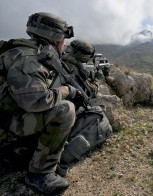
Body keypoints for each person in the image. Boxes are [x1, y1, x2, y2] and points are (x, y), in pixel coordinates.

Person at [0, 12, 79, 194]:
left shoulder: (19, 49)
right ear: (55, 39)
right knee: (65, 110)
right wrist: (67, 90)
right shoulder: (29, 59)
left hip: (5, 116)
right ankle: (40, 174)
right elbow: (37, 101)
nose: (64, 44)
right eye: (63, 39)